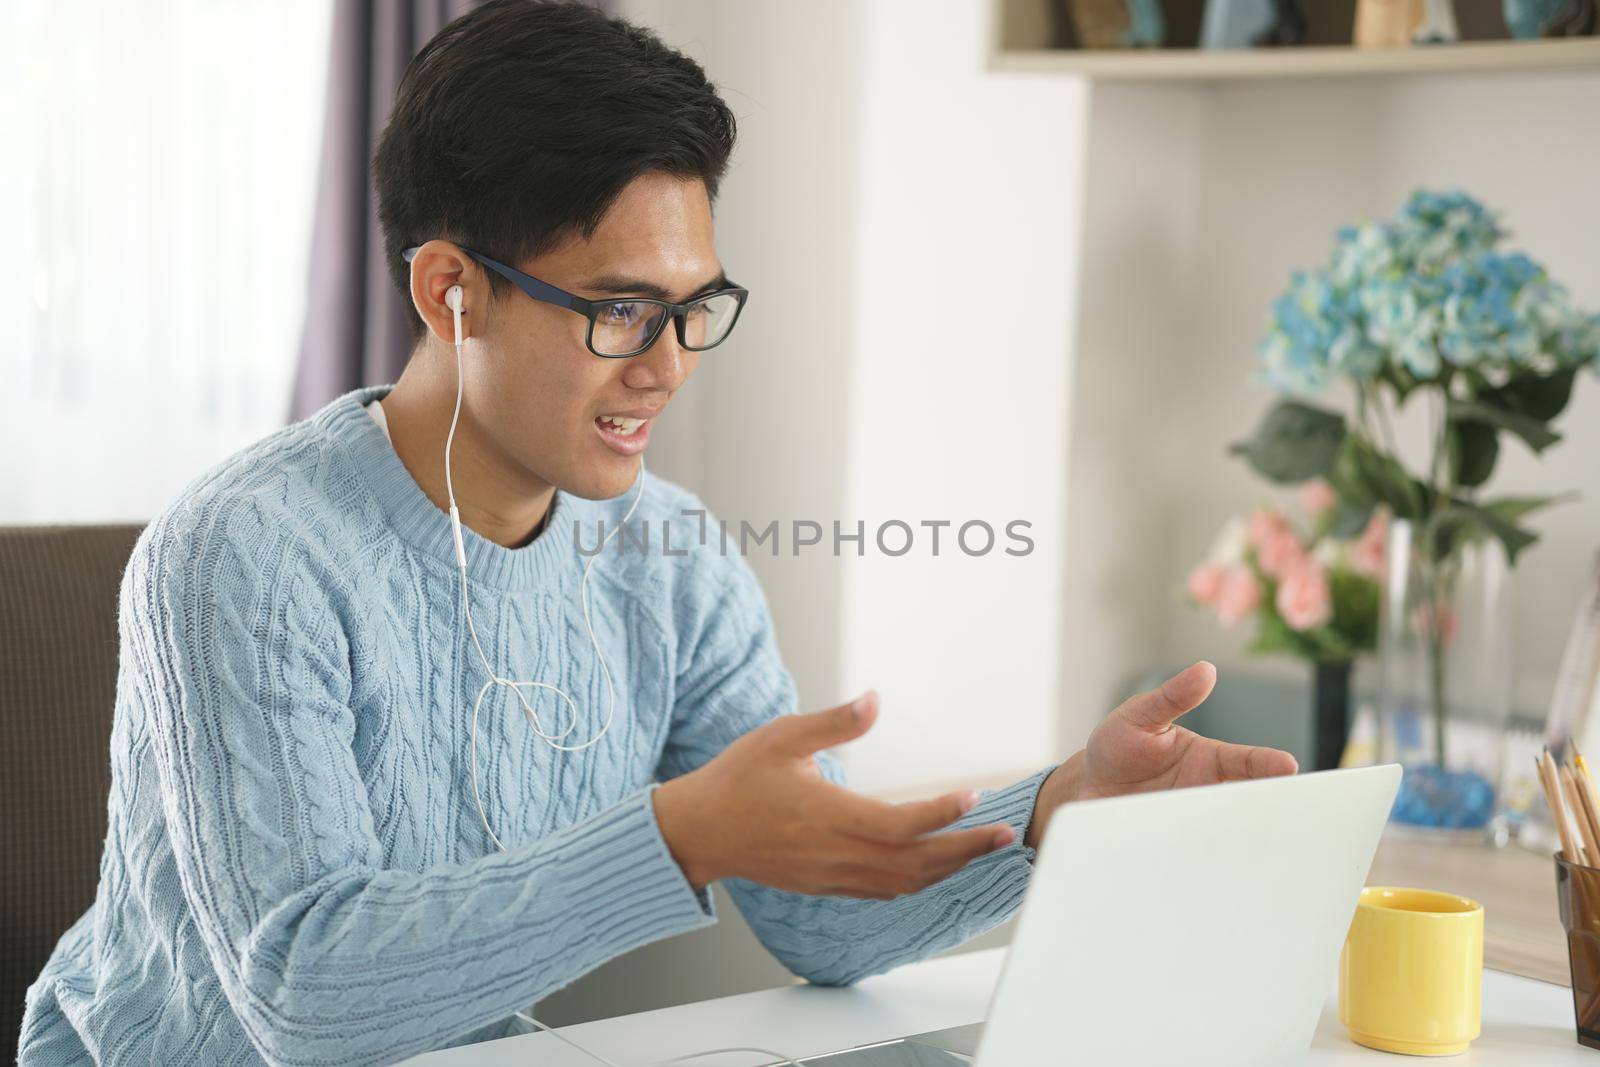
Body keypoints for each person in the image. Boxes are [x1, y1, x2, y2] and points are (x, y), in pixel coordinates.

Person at [18, 2, 1297, 1063]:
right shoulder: (246, 552)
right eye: (621, 311)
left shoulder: (671, 558)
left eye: (697, 307)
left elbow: (820, 923)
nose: (671, 365)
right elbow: (301, 995)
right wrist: (680, 834)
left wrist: (1053, 811)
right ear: (447, 288)